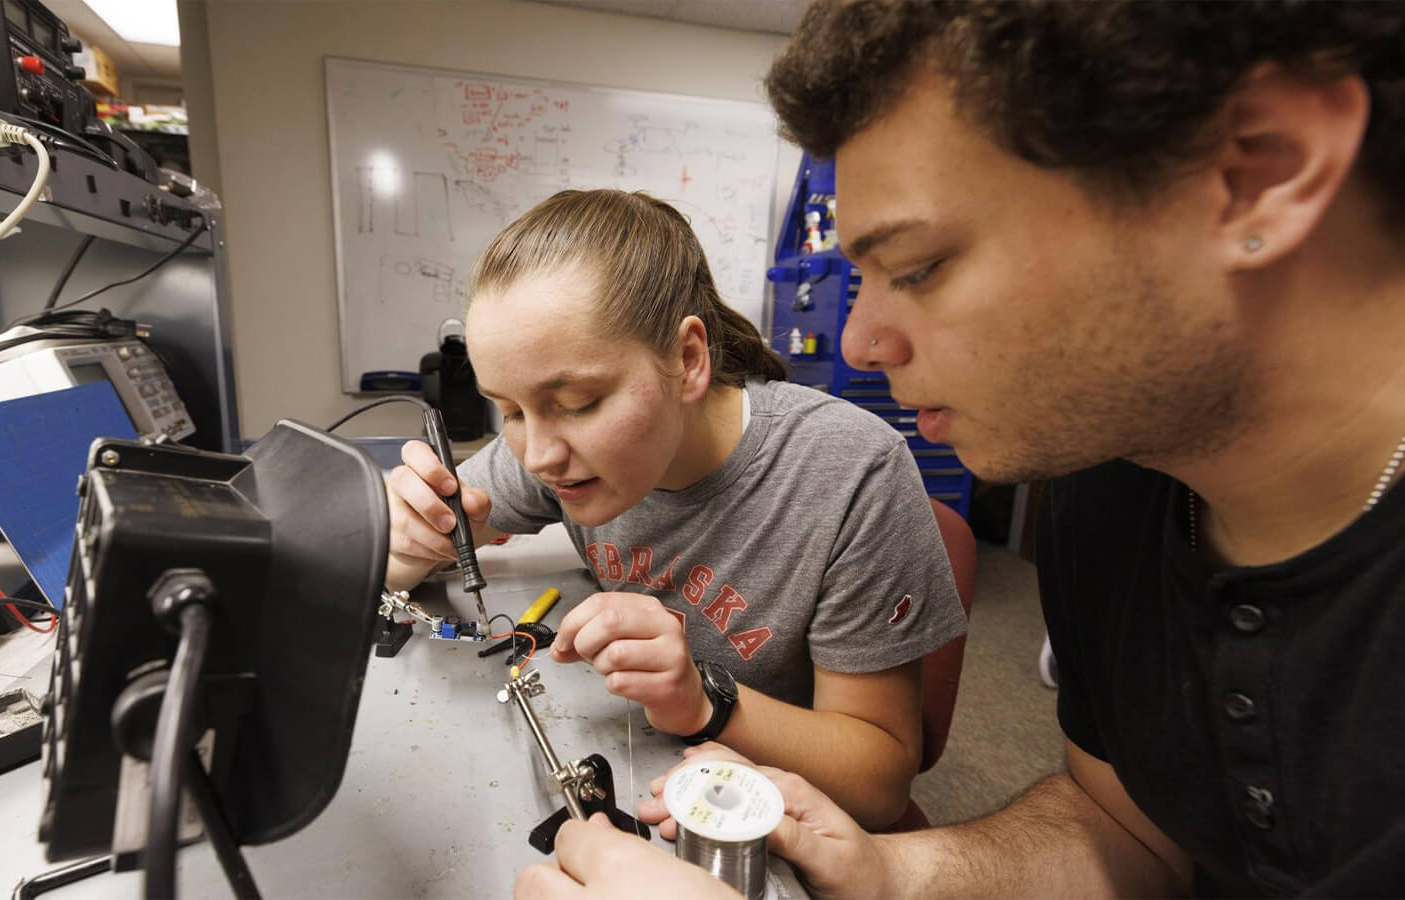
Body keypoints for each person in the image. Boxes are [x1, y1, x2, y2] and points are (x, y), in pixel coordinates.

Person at [514, 2, 1405, 897]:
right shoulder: (1112, 486)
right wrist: (889, 869)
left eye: (919, 267)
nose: (858, 340)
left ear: (1259, 173)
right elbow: (1127, 831)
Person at [385, 188, 965, 830]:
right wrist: (406, 538)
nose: (539, 455)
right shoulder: (556, 451)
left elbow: (881, 785)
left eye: (576, 402)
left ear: (688, 360)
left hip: (771, 814)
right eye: (511, 410)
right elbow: (419, 543)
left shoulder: (849, 472)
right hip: (647, 768)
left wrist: (702, 700)